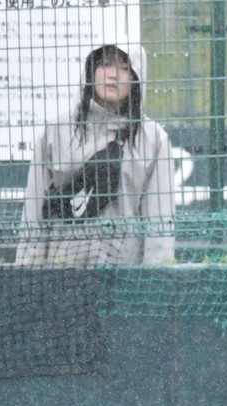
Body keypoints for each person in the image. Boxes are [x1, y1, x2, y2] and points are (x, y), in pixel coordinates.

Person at [16, 42, 175, 266]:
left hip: (123, 273)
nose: (113, 75)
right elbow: (34, 213)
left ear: (136, 78)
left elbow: (159, 222)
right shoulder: (56, 131)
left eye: (124, 68)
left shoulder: (153, 139)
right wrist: (28, 270)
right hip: (61, 271)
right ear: (90, 70)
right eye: (105, 64)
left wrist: (156, 278)